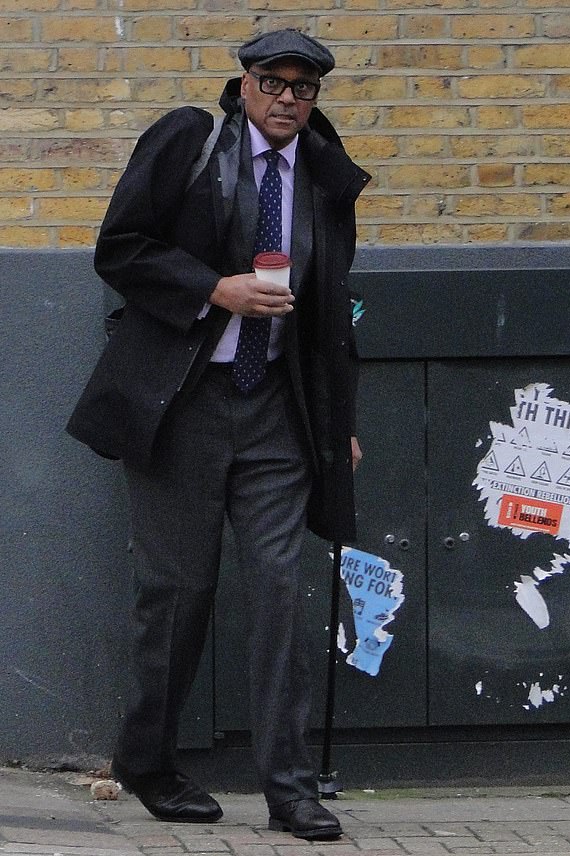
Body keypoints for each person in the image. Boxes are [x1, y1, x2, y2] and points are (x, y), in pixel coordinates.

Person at [67, 28, 370, 841]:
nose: (287, 99)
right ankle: (148, 761)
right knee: (178, 594)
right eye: (273, 82)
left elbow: (330, 310)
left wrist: (338, 422)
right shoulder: (190, 141)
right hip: (184, 404)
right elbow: (119, 249)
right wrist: (215, 289)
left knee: (279, 592)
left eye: (303, 87)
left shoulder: (322, 173)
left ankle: (290, 790)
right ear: (244, 84)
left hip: (278, 410)